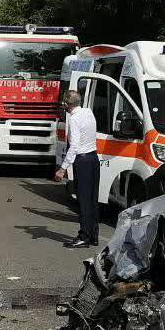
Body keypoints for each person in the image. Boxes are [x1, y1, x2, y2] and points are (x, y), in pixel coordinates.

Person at [55, 90, 100, 248]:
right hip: (94, 158)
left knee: (83, 200)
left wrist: (62, 168)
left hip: (82, 161)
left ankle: (84, 236)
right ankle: (93, 235)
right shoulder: (88, 112)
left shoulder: (73, 119)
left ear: (68, 104)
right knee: (93, 199)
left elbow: (74, 146)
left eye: (64, 103)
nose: (63, 106)